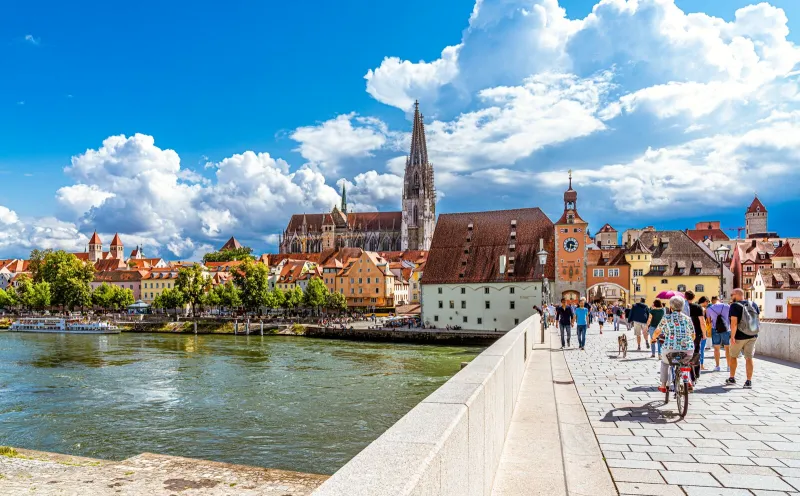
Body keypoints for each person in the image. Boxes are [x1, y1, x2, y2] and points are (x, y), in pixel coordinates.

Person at [651, 296, 696, 393]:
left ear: (671, 307)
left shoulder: (666, 317)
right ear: (682, 307)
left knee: (665, 363)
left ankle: (663, 385)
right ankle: (687, 380)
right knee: (685, 362)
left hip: (670, 348)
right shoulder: (687, 318)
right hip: (687, 349)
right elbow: (693, 335)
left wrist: (653, 338)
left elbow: (657, 331)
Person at [727, 288, 760, 388]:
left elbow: (734, 323)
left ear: (737, 295)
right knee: (749, 358)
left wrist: (732, 336)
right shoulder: (753, 304)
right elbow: (757, 319)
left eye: (732, 295)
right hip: (752, 335)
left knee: (733, 356)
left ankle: (732, 378)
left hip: (739, 336)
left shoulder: (734, 305)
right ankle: (748, 381)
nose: (731, 297)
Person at [706, 296, 731, 372]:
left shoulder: (709, 309)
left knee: (716, 349)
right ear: (719, 300)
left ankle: (717, 366)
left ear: (712, 301)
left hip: (715, 329)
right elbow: (731, 318)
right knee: (727, 349)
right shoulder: (727, 306)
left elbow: (709, 321)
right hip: (727, 329)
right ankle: (729, 366)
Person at [685, 291, 705, 382]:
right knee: (696, 353)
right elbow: (702, 322)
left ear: (685, 297)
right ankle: (695, 375)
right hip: (696, 333)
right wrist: (704, 334)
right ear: (693, 298)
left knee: (685, 353)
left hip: (684, 333)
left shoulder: (681, 307)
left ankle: (686, 374)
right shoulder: (698, 307)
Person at [697, 297, 712, 370]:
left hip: (694, 331)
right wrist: (704, 333)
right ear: (704, 301)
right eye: (707, 302)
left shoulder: (693, 307)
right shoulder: (702, 309)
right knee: (701, 349)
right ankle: (701, 365)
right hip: (702, 331)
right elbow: (703, 322)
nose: (708, 304)